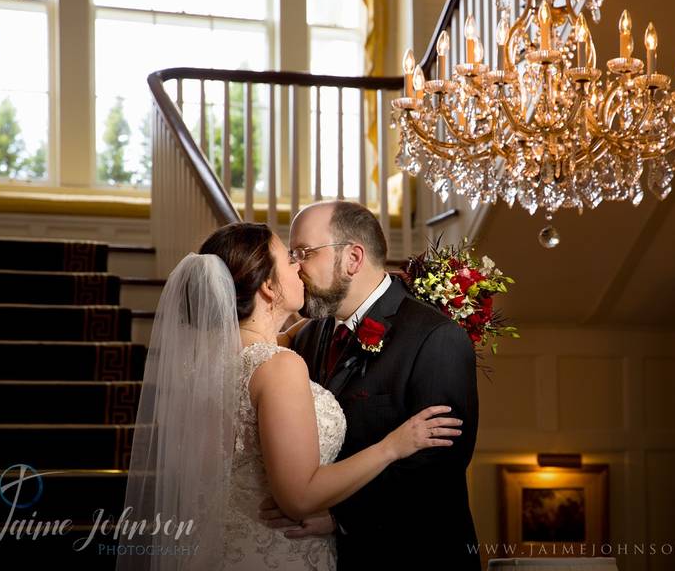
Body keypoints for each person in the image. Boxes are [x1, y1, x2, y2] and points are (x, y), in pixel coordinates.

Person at [115, 222, 462, 570]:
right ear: (268, 286)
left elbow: (303, 330)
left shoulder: (210, 363)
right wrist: (392, 447)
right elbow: (299, 497)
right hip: (276, 550)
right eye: (289, 259)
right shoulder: (279, 366)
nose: (300, 266)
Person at [269, 201, 481, 570]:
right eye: (292, 254)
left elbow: (437, 468)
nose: (295, 266)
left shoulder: (435, 338)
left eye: (303, 252)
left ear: (353, 258)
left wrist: (340, 518)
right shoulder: (306, 338)